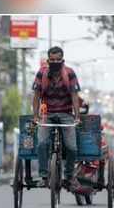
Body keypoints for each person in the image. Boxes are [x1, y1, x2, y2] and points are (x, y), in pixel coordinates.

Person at [32, 46, 81, 187]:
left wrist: (77, 117)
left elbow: (74, 95)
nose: (55, 62)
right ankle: (44, 176)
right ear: (48, 60)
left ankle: (70, 176)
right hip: (47, 114)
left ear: (62, 60)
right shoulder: (41, 73)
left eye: (57, 59)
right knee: (41, 143)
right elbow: (35, 96)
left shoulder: (70, 73)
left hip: (66, 114)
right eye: (52, 59)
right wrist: (36, 116)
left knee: (72, 147)